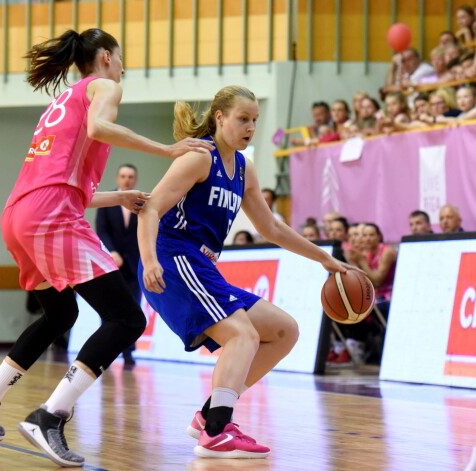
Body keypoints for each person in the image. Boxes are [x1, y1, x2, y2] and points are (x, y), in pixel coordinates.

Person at [0, 28, 214, 468]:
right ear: (107, 57)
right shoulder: (106, 85)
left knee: (60, 314)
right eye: (121, 58)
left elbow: (63, 183)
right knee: (126, 316)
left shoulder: (60, 102)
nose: (124, 68)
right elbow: (100, 127)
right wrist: (167, 149)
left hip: (19, 214)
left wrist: (117, 197)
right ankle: (50, 416)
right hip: (50, 215)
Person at [137, 85, 352, 458]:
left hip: (201, 266)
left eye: (255, 120)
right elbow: (150, 208)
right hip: (172, 259)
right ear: (219, 118)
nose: (250, 126)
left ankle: (208, 417)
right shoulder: (198, 158)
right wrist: (150, 260)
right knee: (242, 334)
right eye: (243, 119)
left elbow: (272, 228)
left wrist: (324, 258)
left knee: (284, 331)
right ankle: (218, 430)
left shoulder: (244, 168)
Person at [95, 163, 142, 365]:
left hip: (134, 264)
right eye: (123, 176)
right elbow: (101, 230)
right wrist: (111, 251)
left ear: (135, 179)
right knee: (110, 307)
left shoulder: (141, 202)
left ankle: (129, 351)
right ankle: (106, 349)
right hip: (110, 263)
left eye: (130, 176)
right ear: (117, 178)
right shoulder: (106, 201)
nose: (127, 180)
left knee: (133, 307)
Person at [346, 223, 397, 365]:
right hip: (373, 297)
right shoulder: (364, 253)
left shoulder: (387, 252)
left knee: (367, 310)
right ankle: (349, 348)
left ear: (379, 236)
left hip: (389, 295)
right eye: (364, 235)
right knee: (346, 308)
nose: (367, 239)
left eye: (371, 235)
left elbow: (377, 281)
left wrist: (361, 262)